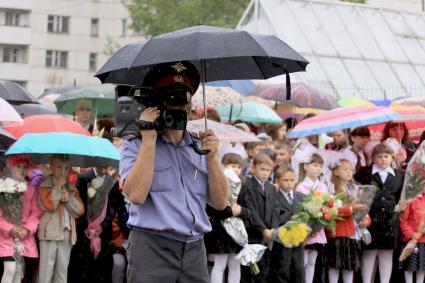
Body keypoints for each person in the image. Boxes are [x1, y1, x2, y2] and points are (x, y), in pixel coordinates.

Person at [120, 61, 228, 283]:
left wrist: (213, 158)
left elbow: (220, 202)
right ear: (158, 104)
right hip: (152, 248)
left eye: (184, 99)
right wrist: (149, 141)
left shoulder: (201, 146)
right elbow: (136, 195)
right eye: (172, 98)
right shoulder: (136, 145)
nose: (179, 106)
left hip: (195, 249)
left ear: (191, 105)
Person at [354, 143, 404, 283]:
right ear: (373, 158)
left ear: (392, 157)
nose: (383, 159)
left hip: (390, 221)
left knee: (386, 255)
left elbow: (401, 196)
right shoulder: (364, 173)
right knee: (369, 254)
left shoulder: (399, 175)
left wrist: (401, 204)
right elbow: (356, 193)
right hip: (369, 221)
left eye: (386, 156)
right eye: (379, 156)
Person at [68, 165, 124, 283]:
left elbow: (114, 206)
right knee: (82, 268)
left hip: (103, 232)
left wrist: (103, 225)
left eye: (105, 165)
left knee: (101, 269)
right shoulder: (83, 178)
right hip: (85, 232)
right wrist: (84, 225)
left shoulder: (112, 182)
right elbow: (79, 202)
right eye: (100, 165)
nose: (103, 170)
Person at [38, 155, 84, 283]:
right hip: (50, 233)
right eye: (59, 167)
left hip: (67, 233)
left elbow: (79, 211)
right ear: (51, 167)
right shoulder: (44, 185)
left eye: (67, 168)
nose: (63, 171)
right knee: (46, 272)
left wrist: (69, 199)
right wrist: (57, 188)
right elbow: (49, 205)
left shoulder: (72, 188)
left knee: (62, 272)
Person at [325, 155, 370, 283]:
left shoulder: (356, 189)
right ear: (336, 172)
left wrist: (366, 220)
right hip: (339, 232)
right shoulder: (332, 190)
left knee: (350, 266)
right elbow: (331, 212)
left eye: (351, 169)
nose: (349, 172)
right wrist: (351, 209)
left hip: (353, 232)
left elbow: (364, 209)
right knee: (335, 265)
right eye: (345, 169)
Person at [0, 155, 41, 283]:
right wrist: (10, 228)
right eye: (19, 167)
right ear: (11, 167)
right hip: (6, 236)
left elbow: (35, 213)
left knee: (19, 271)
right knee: (10, 269)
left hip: (24, 236)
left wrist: (28, 229)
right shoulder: (3, 186)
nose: (22, 170)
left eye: (25, 167)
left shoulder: (31, 188)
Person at [206, 153, 246, 283]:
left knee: (235, 265)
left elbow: (249, 208)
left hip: (238, 231)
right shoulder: (217, 183)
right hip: (221, 230)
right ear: (224, 166)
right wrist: (229, 211)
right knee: (220, 265)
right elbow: (212, 208)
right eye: (232, 165)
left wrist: (241, 210)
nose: (236, 169)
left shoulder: (243, 186)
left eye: (239, 167)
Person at [238, 153, 278, 283]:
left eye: (268, 170)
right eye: (262, 169)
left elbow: (275, 210)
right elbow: (251, 210)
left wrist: (273, 228)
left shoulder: (271, 188)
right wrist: (263, 229)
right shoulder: (246, 185)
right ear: (253, 168)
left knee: (263, 270)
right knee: (249, 271)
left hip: (267, 235)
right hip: (252, 232)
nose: (265, 173)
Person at [295, 152, 328, 283]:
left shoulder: (323, 186)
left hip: (318, 228)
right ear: (305, 166)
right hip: (305, 229)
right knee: (302, 261)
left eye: (320, 165)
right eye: (314, 165)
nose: (318, 168)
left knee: (312, 261)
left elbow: (328, 206)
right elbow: (300, 209)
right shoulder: (301, 187)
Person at [269, 166, 305, 283]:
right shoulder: (273, 197)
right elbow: (273, 219)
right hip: (281, 242)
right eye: (285, 180)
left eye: (292, 180)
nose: (289, 183)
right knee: (282, 270)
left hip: (298, 241)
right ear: (278, 181)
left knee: (298, 270)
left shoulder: (301, 197)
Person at [399, 191, 425, 283]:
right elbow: (403, 220)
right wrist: (412, 234)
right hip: (409, 241)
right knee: (409, 267)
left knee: (422, 268)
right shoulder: (409, 199)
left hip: (423, 241)